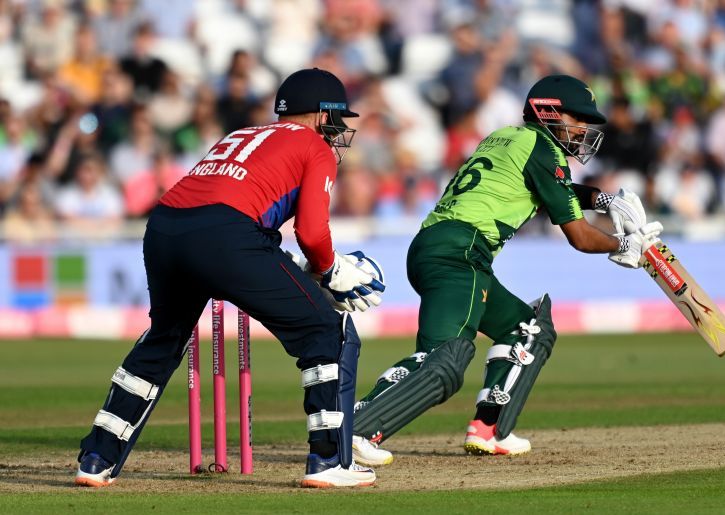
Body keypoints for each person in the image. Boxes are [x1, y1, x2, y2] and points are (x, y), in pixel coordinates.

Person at [74, 68, 385, 488]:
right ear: (319, 114)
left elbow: (247, 218)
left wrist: (304, 266)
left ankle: (96, 458)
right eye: (335, 118)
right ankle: (328, 461)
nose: (338, 130)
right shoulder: (314, 146)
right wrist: (329, 270)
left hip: (164, 227)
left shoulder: (239, 134)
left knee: (164, 339)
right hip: (227, 234)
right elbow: (310, 232)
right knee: (327, 330)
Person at [349, 75, 662, 466]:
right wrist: (625, 245)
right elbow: (579, 236)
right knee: (445, 359)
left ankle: (491, 429)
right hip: (460, 252)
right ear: (548, 111)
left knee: (528, 328)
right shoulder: (543, 148)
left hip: (445, 247)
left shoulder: (509, 137)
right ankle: (355, 430)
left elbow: (551, 188)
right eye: (577, 117)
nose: (583, 128)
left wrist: (603, 198)